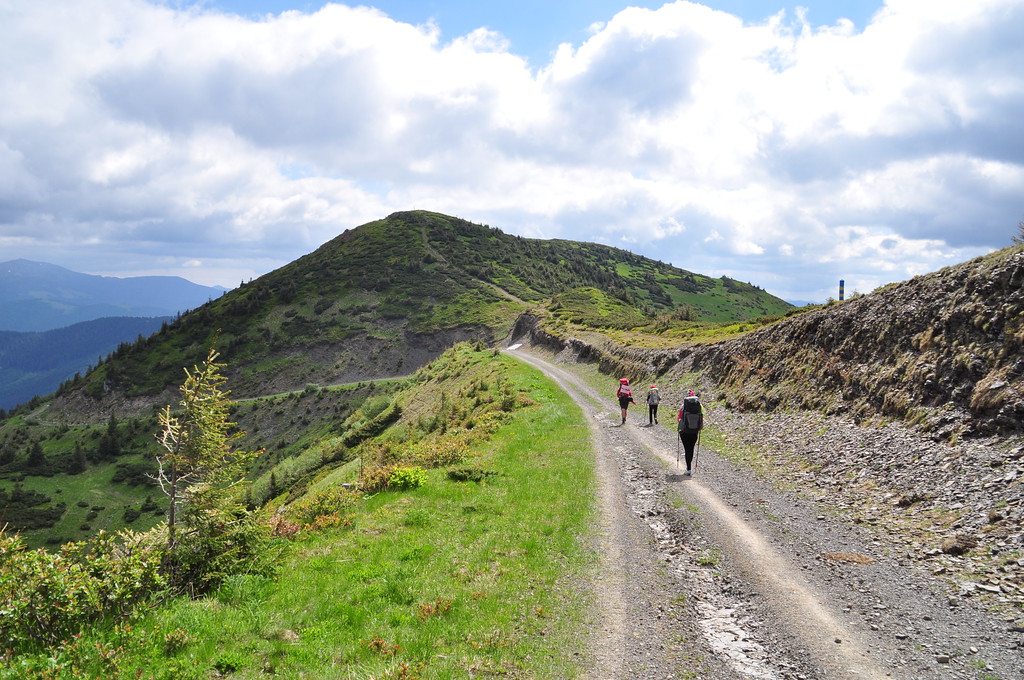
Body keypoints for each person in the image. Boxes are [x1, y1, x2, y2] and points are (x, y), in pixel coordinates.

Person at [676, 390, 704, 475]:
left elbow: (679, 418)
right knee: (691, 449)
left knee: (687, 449)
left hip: (685, 431)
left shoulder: (683, 406)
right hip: (695, 431)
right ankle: (689, 468)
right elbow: (702, 418)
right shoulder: (699, 406)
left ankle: (688, 469)